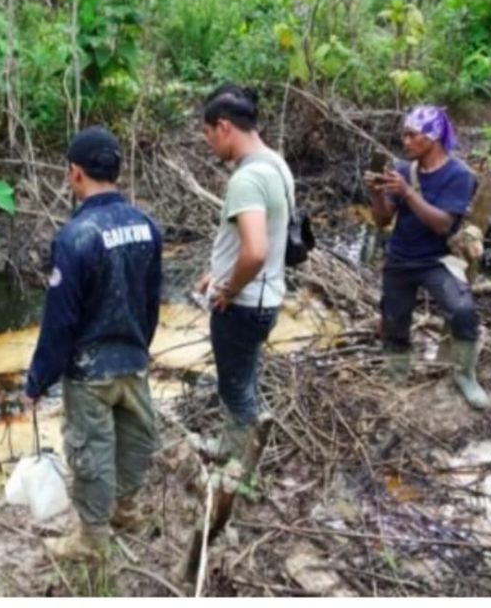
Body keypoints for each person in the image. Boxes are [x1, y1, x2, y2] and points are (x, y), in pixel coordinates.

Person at [23, 126, 163, 561]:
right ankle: (127, 509)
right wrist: (141, 347)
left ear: (75, 174)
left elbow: (59, 322)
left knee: (91, 450)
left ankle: (92, 538)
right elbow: (151, 301)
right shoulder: (147, 227)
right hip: (134, 360)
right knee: (135, 441)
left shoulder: (75, 238)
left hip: (89, 370)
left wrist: (37, 379)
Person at [364, 105, 489, 409]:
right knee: (394, 322)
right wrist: (378, 194)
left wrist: (408, 193)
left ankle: (465, 374)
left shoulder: (459, 175)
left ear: (432, 138)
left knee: (462, 310)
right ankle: (397, 373)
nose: (405, 142)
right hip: (400, 257)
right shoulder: (404, 169)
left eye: (412, 135)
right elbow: (382, 221)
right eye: (404, 135)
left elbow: (443, 224)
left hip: (437, 259)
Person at [194, 84, 293, 463]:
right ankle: (241, 444)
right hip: (268, 296)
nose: (209, 144)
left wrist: (229, 290)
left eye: (207, 134)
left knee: (234, 389)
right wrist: (215, 271)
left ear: (223, 127)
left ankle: (239, 467)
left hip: (245, 305)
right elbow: (263, 237)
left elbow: (254, 252)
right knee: (245, 377)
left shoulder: (246, 180)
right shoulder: (276, 165)